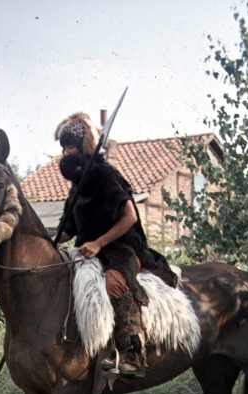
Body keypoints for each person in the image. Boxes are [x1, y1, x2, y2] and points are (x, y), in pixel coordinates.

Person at [54, 112, 177, 377]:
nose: (66, 153)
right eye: (63, 148)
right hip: (88, 250)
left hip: (122, 248)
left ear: (84, 147)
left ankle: (133, 355)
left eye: (71, 146)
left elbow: (130, 216)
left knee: (114, 281)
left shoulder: (106, 175)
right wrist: (49, 242)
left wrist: (98, 243)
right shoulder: (77, 185)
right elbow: (68, 230)